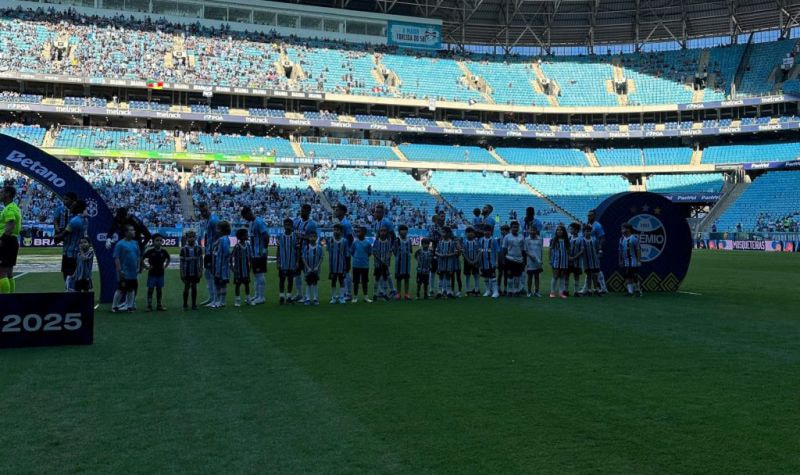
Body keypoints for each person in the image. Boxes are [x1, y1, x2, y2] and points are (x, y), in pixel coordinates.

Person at [54, 199, 88, 282]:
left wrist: (56, 236)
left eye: (73, 206)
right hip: (78, 253)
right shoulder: (84, 220)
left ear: (78, 208)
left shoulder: (74, 221)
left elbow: (61, 236)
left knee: (69, 280)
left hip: (70, 254)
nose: (71, 208)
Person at [242, 206, 268, 305]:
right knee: (256, 275)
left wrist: (264, 250)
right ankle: (257, 295)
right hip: (254, 254)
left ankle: (262, 297)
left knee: (260, 274)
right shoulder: (252, 223)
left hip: (259, 253)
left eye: (245, 216)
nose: (245, 219)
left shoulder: (259, 222)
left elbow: (266, 236)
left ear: (249, 212)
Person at [112, 224, 141, 312]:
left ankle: (129, 306)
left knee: (131, 289)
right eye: (131, 230)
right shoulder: (120, 244)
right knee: (121, 289)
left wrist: (138, 266)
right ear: (126, 232)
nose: (133, 232)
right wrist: (119, 270)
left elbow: (138, 256)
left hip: (133, 271)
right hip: (124, 271)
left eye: (133, 230)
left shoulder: (135, 243)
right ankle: (114, 306)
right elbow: (116, 258)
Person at [292, 203, 318, 302]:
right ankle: (299, 294)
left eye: (304, 211)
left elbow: (314, 237)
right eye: (301, 210)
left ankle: (308, 296)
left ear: (308, 212)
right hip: (296, 252)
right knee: (296, 273)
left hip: (306, 252)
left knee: (307, 273)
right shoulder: (297, 221)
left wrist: (302, 237)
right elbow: (294, 233)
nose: (302, 212)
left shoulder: (312, 224)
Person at [0, 185, 22, 294]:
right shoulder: (14, 207)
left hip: (6, 241)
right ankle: (11, 298)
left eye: (2, 191)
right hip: (12, 241)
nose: (0, 193)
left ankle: (4, 301)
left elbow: (11, 224)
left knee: (1, 273)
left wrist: (2, 239)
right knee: (8, 272)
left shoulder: (9, 209)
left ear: (7, 194)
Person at [197, 202, 219, 306]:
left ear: (208, 208)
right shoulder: (208, 220)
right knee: (207, 274)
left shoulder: (214, 220)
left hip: (212, 251)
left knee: (212, 275)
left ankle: (215, 299)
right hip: (208, 250)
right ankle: (211, 297)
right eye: (202, 211)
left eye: (205, 211)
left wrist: (215, 249)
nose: (203, 213)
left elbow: (218, 235)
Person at [142, 233, 170, 311]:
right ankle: (149, 305)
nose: (159, 242)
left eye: (161, 240)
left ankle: (159, 305)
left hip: (161, 274)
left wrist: (166, 266)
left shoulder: (164, 251)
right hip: (152, 274)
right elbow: (142, 259)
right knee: (150, 289)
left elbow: (168, 258)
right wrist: (146, 267)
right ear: (153, 241)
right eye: (157, 240)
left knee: (159, 289)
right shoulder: (150, 251)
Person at [334, 203, 354, 300]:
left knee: (346, 271)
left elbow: (350, 237)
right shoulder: (342, 222)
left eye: (337, 210)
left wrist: (348, 251)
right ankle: (345, 292)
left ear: (343, 212)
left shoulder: (346, 224)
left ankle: (348, 294)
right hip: (342, 251)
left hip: (345, 252)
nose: (335, 211)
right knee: (343, 272)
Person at [210, 220, 232, 308]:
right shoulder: (221, 239)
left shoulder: (224, 239)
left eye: (218, 229)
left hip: (222, 266)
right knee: (218, 283)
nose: (216, 230)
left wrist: (218, 254)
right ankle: (218, 301)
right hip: (218, 265)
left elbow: (226, 252)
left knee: (222, 283)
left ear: (222, 230)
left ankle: (221, 301)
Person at [179, 229, 203, 310]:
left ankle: (193, 304)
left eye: (193, 237)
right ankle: (185, 304)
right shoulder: (183, 249)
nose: (191, 239)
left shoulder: (199, 248)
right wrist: (181, 273)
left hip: (196, 271)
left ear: (195, 238)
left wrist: (201, 271)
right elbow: (181, 262)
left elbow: (201, 260)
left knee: (194, 287)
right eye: (190, 237)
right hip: (187, 272)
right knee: (186, 287)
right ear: (186, 238)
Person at [585, 209, 608, 293]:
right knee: (589, 269)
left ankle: (603, 287)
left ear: (594, 216)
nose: (589, 217)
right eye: (588, 215)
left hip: (595, 250)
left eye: (590, 215)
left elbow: (602, 237)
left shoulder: (597, 225)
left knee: (597, 269)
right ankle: (588, 287)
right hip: (588, 250)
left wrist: (600, 249)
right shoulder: (587, 224)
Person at [276, 218, 297, 305]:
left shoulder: (295, 236)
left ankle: (288, 296)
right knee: (282, 279)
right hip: (283, 262)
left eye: (289, 224)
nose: (287, 226)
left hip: (291, 262)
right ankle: (281, 296)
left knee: (290, 279)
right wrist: (278, 261)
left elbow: (297, 249)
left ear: (292, 226)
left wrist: (297, 261)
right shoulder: (280, 236)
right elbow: (278, 249)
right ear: (284, 226)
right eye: (286, 224)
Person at [327, 223, 349, 304]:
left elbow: (346, 254)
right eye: (334, 230)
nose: (336, 231)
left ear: (341, 231)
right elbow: (329, 252)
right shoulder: (330, 240)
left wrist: (346, 265)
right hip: (332, 265)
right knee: (333, 281)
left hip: (341, 265)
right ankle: (333, 297)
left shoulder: (344, 241)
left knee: (341, 281)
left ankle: (342, 297)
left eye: (338, 230)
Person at [619, 223, 643, 297]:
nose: (622, 230)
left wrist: (639, 261)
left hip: (633, 261)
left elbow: (638, 250)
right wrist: (620, 260)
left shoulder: (634, 238)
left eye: (623, 228)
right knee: (627, 276)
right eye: (622, 229)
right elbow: (620, 251)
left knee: (634, 276)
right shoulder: (621, 239)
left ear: (628, 229)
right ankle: (630, 292)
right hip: (626, 262)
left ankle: (638, 291)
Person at [503, 221, 525, 297]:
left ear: (518, 228)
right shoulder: (507, 237)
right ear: (511, 228)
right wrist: (503, 259)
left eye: (516, 227)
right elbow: (504, 249)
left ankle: (516, 290)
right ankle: (509, 290)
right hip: (509, 259)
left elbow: (523, 249)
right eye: (514, 227)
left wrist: (524, 260)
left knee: (517, 276)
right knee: (510, 276)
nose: (515, 229)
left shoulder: (521, 237)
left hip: (519, 259)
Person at [350, 226, 372, 303]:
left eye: (360, 231)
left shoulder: (368, 243)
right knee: (355, 281)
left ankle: (366, 297)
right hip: (356, 264)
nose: (358, 233)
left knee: (365, 281)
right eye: (357, 231)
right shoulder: (354, 242)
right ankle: (355, 297)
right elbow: (352, 252)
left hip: (365, 265)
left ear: (364, 233)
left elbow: (369, 253)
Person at [232, 228, 252, 307]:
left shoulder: (248, 245)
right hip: (238, 270)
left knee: (247, 284)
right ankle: (237, 300)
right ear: (242, 236)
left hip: (246, 269)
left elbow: (250, 257)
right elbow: (231, 258)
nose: (247, 235)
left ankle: (248, 299)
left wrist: (250, 267)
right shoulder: (237, 246)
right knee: (238, 285)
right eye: (246, 234)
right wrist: (233, 269)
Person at [301, 229, 323, 305]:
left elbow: (321, 258)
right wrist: (307, 267)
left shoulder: (319, 247)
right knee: (308, 282)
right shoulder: (306, 247)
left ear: (317, 237)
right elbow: (303, 257)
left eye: (314, 236)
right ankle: (307, 298)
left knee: (315, 282)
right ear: (308, 238)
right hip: (308, 268)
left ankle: (315, 298)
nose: (312, 238)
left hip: (316, 268)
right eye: (311, 236)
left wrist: (317, 266)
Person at [435, 226, 457, 298]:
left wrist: (448, 255)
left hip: (449, 262)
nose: (442, 233)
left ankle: (448, 291)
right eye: (442, 232)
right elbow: (436, 251)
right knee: (441, 275)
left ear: (448, 233)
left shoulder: (452, 242)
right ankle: (440, 291)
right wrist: (440, 255)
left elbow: (455, 252)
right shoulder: (440, 242)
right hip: (441, 261)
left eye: (443, 232)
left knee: (448, 275)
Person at [372, 226, 393, 301]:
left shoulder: (388, 241)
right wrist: (380, 259)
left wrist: (387, 259)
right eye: (381, 231)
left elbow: (390, 251)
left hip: (385, 263)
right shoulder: (376, 241)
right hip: (378, 263)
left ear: (386, 232)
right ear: (379, 232)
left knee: (385, 278)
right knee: (377, 278)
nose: (383, 232)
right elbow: (374, 252)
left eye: (384, 231)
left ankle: (384, 293)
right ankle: (375, 294)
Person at [549, 224, 570, 299]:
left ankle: (561, 292)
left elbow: (568, 251)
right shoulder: (554, 240)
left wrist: (568, 259)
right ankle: (552, 292)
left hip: (564, 261)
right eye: (558, 230)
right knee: (555, 276)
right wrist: (550, 260)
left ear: (564, 231)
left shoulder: (566, 240)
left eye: (561, 230)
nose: (559, 231)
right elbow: (550, 251)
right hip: (556, 261)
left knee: (562, 277)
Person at [479, 225, 499, 298]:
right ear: (483, 232)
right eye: (485, 231)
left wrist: (496, 261)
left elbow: (497, 251)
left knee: (493, 277)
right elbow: (479, 250)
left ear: (491, 232)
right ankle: (488, 291)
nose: (487, 232)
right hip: (483, 262)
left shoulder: (494, 240)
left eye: (488, 231)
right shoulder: (481, 240)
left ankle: (495, 292)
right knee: (486, 277)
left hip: (491, 262)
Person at [581, 224, 602, 296]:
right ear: (583, 232)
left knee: (595, 275)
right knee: (589, 275)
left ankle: (596, 289)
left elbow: (597, 248)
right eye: (586, 231)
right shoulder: (582, 240)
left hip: (594, 261)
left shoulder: (594, 239)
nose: (588, 232)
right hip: (586, 261)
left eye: (589, 231)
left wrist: (599, 253)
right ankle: (589, 290)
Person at [393, 224, 412, 300]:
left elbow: (410, 250)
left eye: (405, 230)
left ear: (407, 231)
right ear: (399, 232)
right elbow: (394, 251)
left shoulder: (409, 240)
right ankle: (398, 293)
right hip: (399, 263)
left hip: (407, 262)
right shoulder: (397, 240)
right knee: (398, 278)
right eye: (402, 230)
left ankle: (406, 293)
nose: (403, 231)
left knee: (406, 278)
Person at [524, 225, 543, 297]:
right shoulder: (526, 239)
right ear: (529, 231)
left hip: (538, 261)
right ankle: (529, 291)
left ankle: (536, 291)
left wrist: (541, 260)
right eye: (531, 230)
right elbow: (525, 250)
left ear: (536, 231)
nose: (532, 232)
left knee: (537, 276)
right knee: (529, 277)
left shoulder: (540, 239)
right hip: (530, 261)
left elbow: (541, 250)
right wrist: (530, 256)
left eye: (534, 230)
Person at [461, 227, 481, 296]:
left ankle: (477, 289)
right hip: (467, 261)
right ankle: (467, 290)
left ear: (474, 234)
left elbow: (479, 252)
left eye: (472, 232)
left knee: (476, 275)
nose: (470, 234)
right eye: (468, 232)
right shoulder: (464, 241)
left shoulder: (477, 241)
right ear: (466, 234)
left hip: (475, 261)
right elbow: (463, 253)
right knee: (467, 275)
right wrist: (469, 260)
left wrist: (475, 260)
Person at [567, 222, 585, 297]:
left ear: (576, 230)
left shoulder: (581, 239)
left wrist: (574, 257)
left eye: (572, 229)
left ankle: (576, 291)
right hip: (569, 260)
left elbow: (582, 250)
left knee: (576, 276)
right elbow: (567, 248)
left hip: (577, 261)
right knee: (566, 275)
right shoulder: (569, 238)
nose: (570, 230)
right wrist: (568, 256)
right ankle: (565, 290)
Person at [496, 224, 510, 295]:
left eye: (505, 230)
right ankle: (498, 288)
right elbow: (497, 250)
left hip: (507, 258)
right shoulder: (499, 239)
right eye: (502, 230)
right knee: (500, 274)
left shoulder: (509, 238)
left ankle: (505, 289)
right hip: (500, 258)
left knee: (506, 274)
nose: (503, 231)